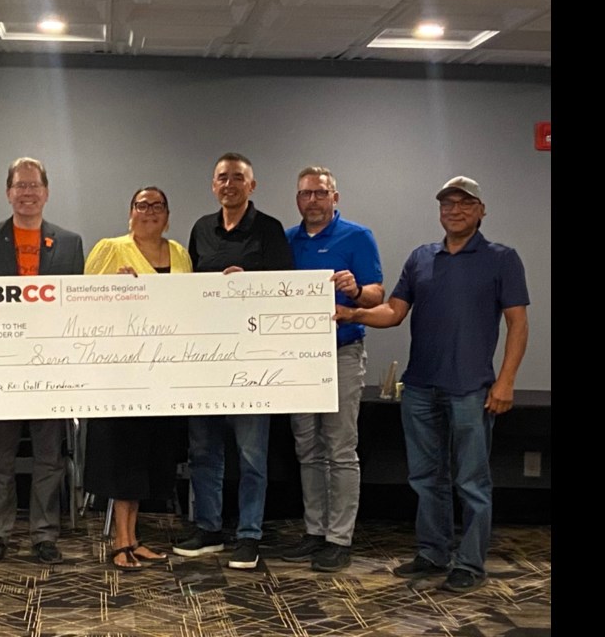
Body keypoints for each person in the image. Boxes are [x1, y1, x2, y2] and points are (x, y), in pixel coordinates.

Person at [335, 176, 529, 593]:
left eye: (464, 204)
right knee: (426, 477)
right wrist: (352, 315)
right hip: (420, 386)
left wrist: (506, 381)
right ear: (439, 211)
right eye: (447, 205)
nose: (454, 211)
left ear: (481, 210)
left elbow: (517, 324)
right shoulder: (421, 258)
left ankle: (470, 564)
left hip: (473, 389)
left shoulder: (501, 258)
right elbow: (393, 312)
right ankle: (433, 553)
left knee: (472, 482)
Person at [0, 157, 84, 565]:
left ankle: (44, 535)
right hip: (1, 367)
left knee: (50, 456)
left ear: (46, 192)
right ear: (8, 192)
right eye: (19, 186)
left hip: (50, 368)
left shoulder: (69, 242)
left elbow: (76, 303)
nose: (27, 193)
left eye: (34, 186)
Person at [174, 152, 294, 570]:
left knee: (250, 453)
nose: (230, 184)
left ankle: (249, 535)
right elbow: (186, 287)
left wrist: (251, 285)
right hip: (205, 359)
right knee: (204, 448)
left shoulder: (270, 230)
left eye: (238, 178)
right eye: (222, 177)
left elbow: (285, 290)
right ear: (213, 185)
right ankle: (208, 528)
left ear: (252, 186)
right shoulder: (200, 230)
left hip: (253, 359)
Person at [280, 166, 384, 572]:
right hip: (297, 355)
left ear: (334, 197)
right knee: (307, 447)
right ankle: (315, 531)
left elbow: (377, 294)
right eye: (305, 194)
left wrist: (355, 292)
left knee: (340, 448)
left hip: (341, 351)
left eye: (320, 193)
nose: (312, 201)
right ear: (298, 198)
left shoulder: (358, 236)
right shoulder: (287, 240)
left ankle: (340, 538)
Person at [83, 186, 193, 570]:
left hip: (162, 375)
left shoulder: (179, 252)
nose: (149, 212)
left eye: (157, 206)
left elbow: (188, 305)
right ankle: (119, 540)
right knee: (122, 456)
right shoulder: (109, 248)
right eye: (141, 205)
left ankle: (135, 537)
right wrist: (114, 289)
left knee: (149, 457)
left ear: (167, 213)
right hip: (120, 373)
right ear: (129, 212)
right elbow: (85, 304)